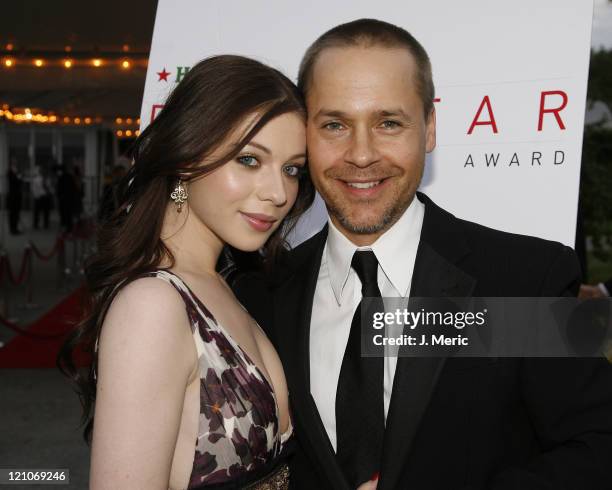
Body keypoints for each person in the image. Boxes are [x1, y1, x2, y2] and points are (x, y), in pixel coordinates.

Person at [232, 19, 612, 489]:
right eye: (335, 124)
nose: (362, 154)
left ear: (429, 128)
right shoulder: (261, 295)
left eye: (388, 123)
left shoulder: (520, 281)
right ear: (303, 135)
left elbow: (598, 445)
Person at [59, 55, 316, 489]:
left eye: (292, 169)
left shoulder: (224, 283)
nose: (278, 193)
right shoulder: (153, 306)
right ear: (186, 154)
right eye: (250, 160)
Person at [7, 157, 24, 235]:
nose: (15, 164)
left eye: (16, 162)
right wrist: (19, 178)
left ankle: (15, 228)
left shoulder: (17, 172)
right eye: (14, 162)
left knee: (16, 213)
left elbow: (19, 182)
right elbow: (14, 181)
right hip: (12, 196)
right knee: (12, 213)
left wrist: (19, 177)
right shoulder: (10, 172)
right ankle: (12, 229)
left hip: (17, 195)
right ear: (11, 163)